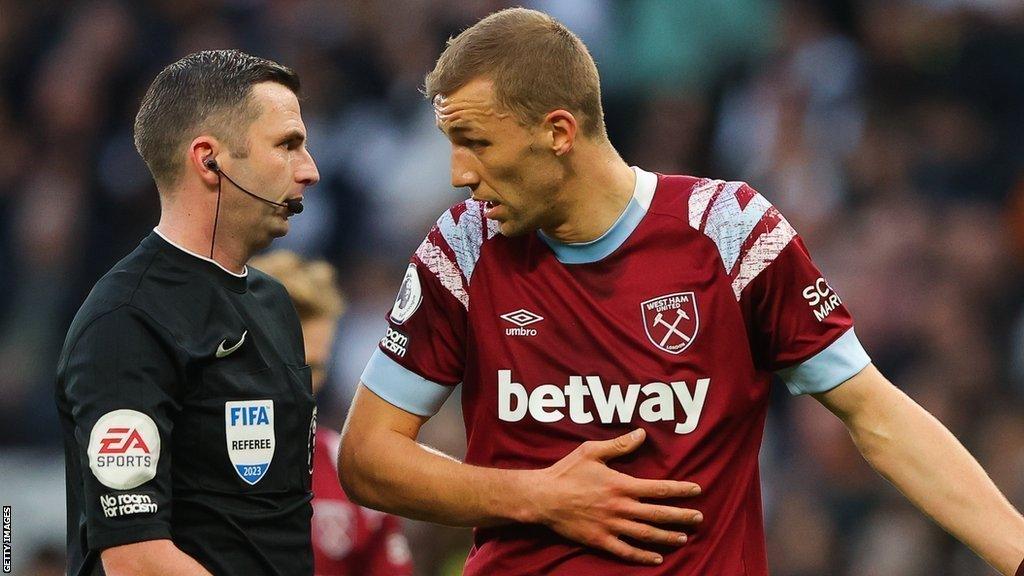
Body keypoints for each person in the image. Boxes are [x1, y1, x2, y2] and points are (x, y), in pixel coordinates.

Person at [337, 8, 1024, 576]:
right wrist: (536, 495)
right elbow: (368, 457)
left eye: (475, 142)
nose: (458, 173)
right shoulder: (462, 247)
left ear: (557, 133)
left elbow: (878, 415)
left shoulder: (729, 234)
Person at [55, 50, 320, 576]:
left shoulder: (274, 303)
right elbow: (135, 557)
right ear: (209, 160)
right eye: (287, 145)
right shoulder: (127, 321)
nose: (309, 171)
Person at [249, 250, 413, 576]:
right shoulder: (184, 465)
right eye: (289, 365)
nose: (305, 385)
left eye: (317, 367)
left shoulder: (352, 472)